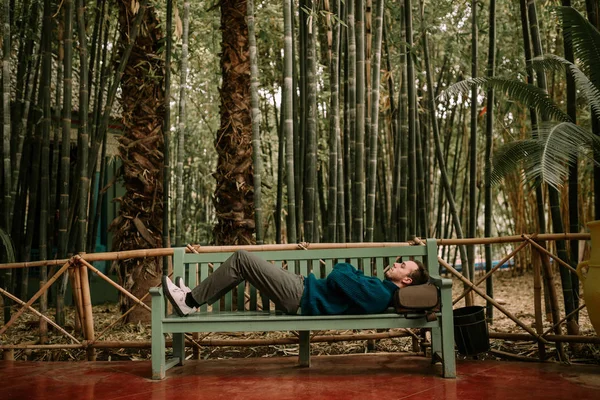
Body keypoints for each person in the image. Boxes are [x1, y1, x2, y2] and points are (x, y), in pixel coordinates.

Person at [162, 250, 429, 317]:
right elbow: (345, 278)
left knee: (242, 259)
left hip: (301, 297)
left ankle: (189, 302)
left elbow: (339, 273)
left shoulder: (380, 293)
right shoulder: (379, 288)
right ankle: (193, 299)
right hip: (302, 287)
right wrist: (352, 275)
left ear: (406, 280)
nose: (396, 263)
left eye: (402, 265)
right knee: (244, 264)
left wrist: (350, 271)